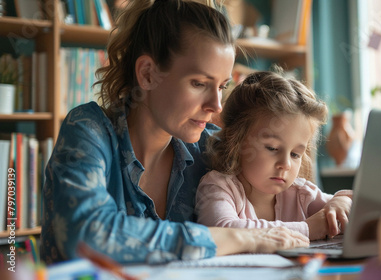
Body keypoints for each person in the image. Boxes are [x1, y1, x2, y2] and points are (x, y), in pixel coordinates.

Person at [41, 0, 309, 265]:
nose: (215, 105)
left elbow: (283, 186)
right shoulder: (88, 130)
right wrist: (238, 238)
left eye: (221, 86)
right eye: (199, 83)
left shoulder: (211, 146)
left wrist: (340, 204)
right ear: (147, 74)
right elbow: (86, 235)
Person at [195, 71, 353, 241]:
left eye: (295, 154)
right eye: (272, 148)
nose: (285, 164)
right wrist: (308, 229)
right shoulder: (219, 186)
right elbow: (221, 231)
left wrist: (342, 202)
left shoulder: (301, 194)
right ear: (237, 142)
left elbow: (356, 206)